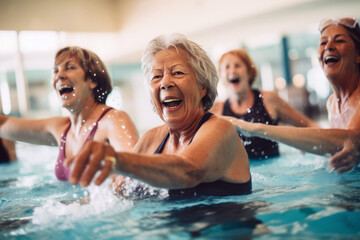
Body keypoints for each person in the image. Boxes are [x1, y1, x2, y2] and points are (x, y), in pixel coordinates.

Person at [65, 33, 252, 197]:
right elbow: (118, 191)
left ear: (202, 87)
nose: (165, 83)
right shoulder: (151, 140)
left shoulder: (220, 129)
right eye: (156, 76)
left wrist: (117, 159)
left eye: (177, 72)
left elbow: (189, 171)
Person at [233, 17, 360, 173]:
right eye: (323, 42)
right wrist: (307, 143)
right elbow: (338, 148)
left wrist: (256, 129)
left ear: (358, 54)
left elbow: (350, 138)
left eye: (339, 41)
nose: (329, 47)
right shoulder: (332, 102)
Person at [0, 46, 139, 179]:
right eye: (55, 71)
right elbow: (3, 125)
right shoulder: (60, 128)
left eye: (70, 67)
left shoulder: (113, 120)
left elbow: (134, 174)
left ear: (92, 80)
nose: (59, 75)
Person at [211, 49, 319, 159]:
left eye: (237, 65)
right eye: (227, 67)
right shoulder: (216, 111)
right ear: (221, 76)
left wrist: (309, 144)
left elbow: (308, 125)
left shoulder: (269, 99)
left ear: (249, 72)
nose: (232, 70)